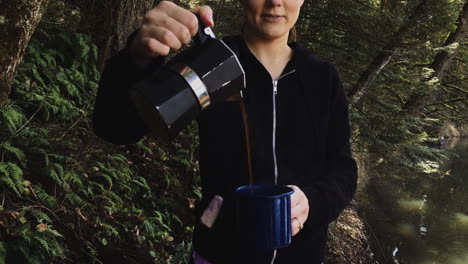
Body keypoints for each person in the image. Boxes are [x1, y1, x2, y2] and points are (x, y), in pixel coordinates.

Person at [92, 0, 358, 263]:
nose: (275, 2)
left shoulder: (322, 78)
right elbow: (115, 127)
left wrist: (311, 202)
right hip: (218, 253)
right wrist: (139, 57)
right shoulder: (209, 63)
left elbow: (343, 171)